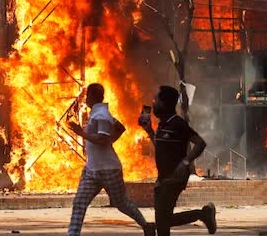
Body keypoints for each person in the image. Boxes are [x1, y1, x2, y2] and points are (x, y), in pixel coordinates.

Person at [66, 83, 155, 236]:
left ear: (92, 97)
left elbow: (102, 139)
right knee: (79, 204)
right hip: (92, 169)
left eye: (87, 96)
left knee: (121, 203)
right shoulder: (99, 113)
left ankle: (146, 225)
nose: (85, 99)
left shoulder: (101, 116)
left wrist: (82, 133)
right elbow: (120, 127)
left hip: (109, 169)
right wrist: (110, 140)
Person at [138, 85, 217, 235]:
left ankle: (203, 214)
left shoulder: (178, 124)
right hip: (164, 177)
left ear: (164, 103)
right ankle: (203, 214)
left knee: (162, 223)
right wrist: (149, 131)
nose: (153, 103)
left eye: (156, 100)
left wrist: (186, 162)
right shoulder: (162, 124)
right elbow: (160, 147)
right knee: (164, 222)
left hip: (174, 177)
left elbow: (200, 143)